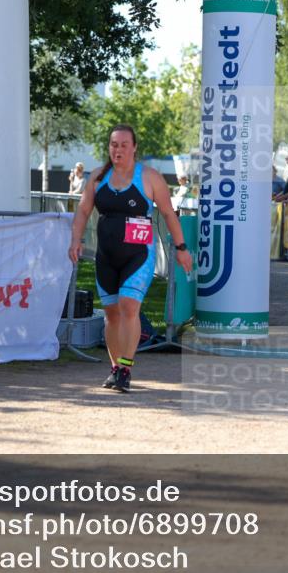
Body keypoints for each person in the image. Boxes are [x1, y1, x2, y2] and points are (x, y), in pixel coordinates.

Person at [69, 124, 193, 393]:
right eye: (114, 144)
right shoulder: (98, 178)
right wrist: (76, 240)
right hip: (106, 256)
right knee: (111, 314)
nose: (118, 149)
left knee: (128, 307)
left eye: (124, 145)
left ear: (134, 147)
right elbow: (82, 211)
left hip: (138, 254)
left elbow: (170, 214)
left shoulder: (149, 177)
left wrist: (181, 247)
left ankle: (126, 367)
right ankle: (115, 369)